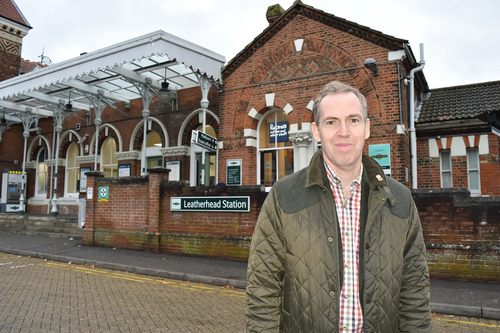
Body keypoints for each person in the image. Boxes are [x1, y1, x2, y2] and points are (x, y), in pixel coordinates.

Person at [245, 81, 431, 332]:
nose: (343, 131)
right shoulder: (284, 196)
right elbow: (262, 291)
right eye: (332, 122)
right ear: (317, 131)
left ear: (367, 128)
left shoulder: (399, 199)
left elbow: (415, 295)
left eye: (353, 120)